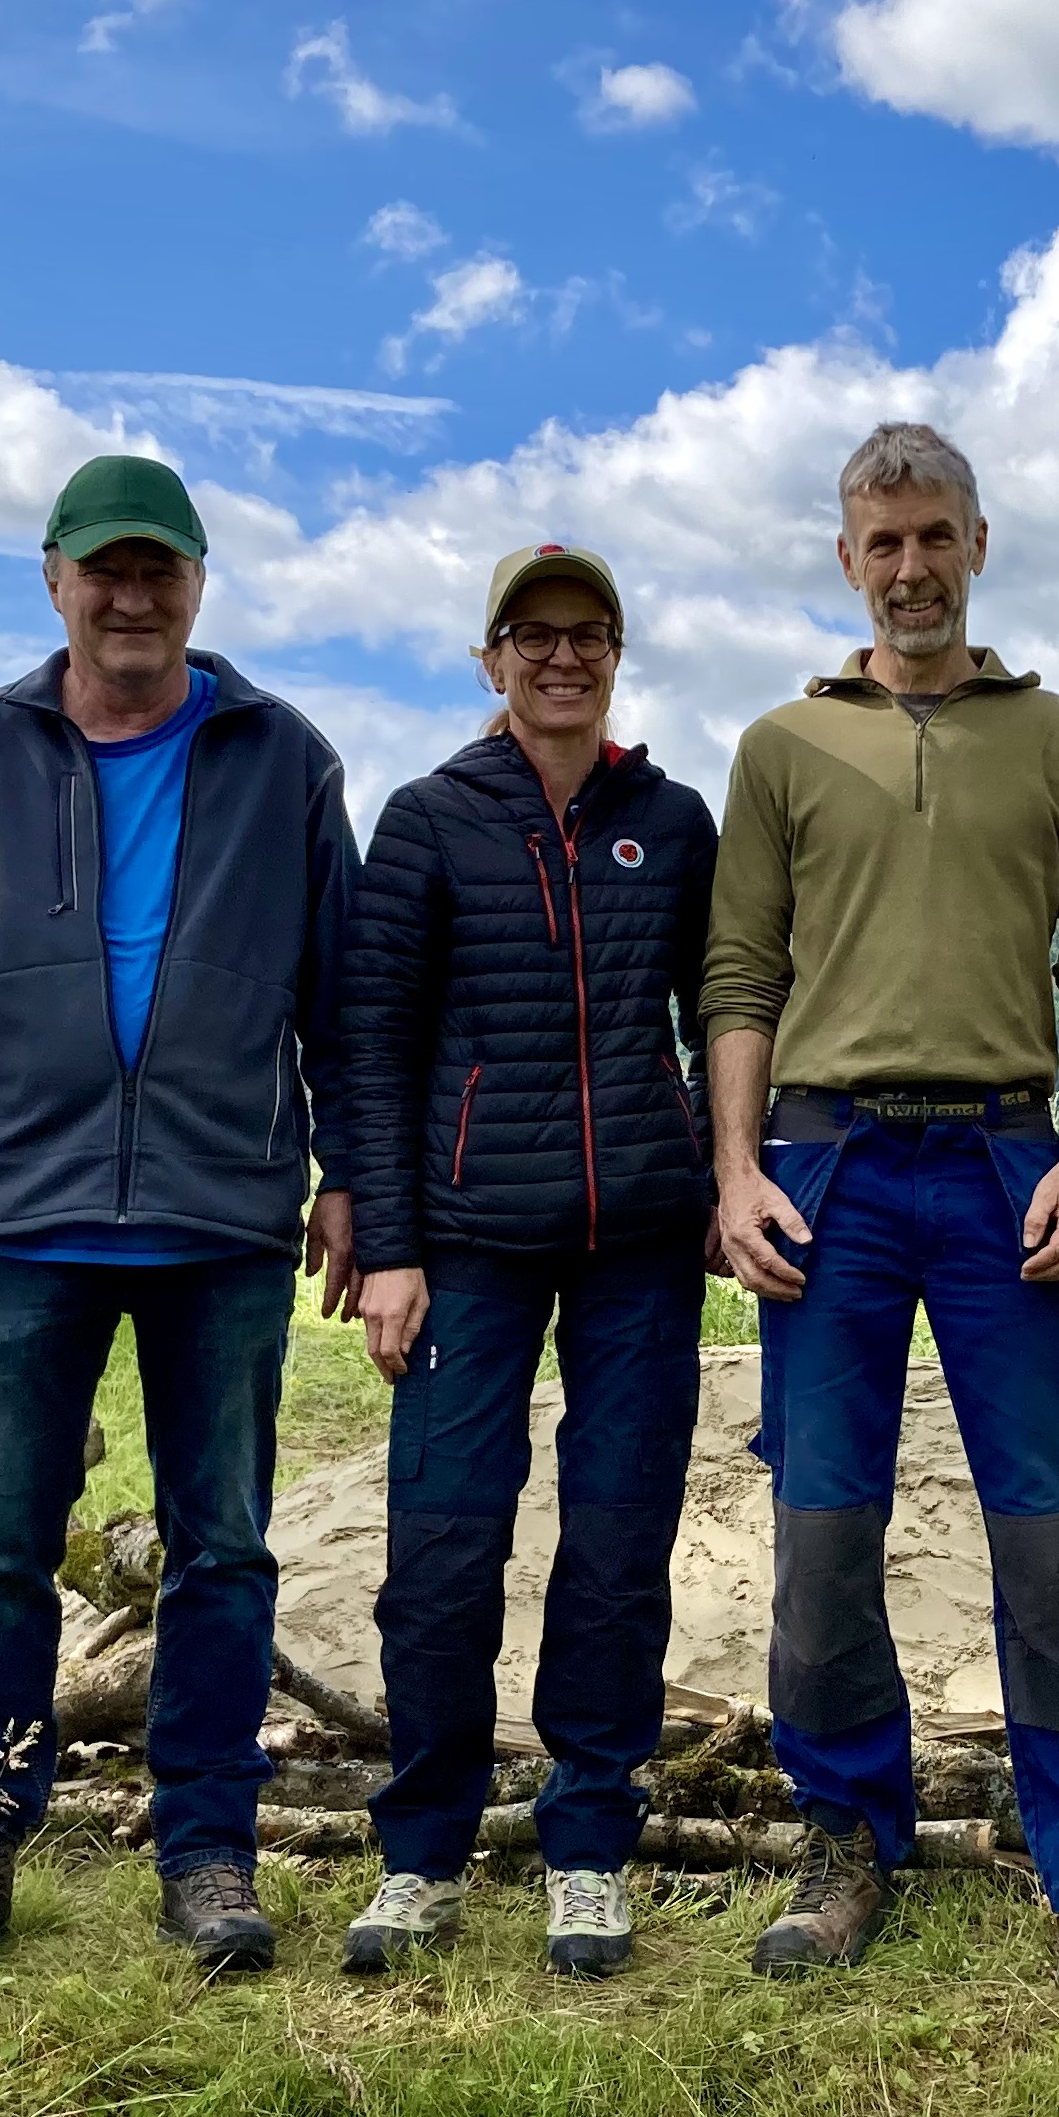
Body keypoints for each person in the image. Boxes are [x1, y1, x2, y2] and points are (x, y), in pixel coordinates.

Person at [0, 454, 363, 1981]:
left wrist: (348, 1173)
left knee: (225, 1546)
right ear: (54, 578)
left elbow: (343, 996)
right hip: (22, 1213)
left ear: (199, 584)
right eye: (104, 570)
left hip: (221, 1215)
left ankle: (207, 1841)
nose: (131, 597)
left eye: (160, 571)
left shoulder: (283, 758)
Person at [703, 421, 1059, 1991]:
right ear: (848, 560)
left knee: (1052, 1530)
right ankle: (846, 1842)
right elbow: (740, 977)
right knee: (826, 1526)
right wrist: (737, 1167)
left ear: (981, 544)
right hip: (825, 1172)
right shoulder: (780, 747)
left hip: (1001, 1162)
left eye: (936, 537)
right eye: (882, 543)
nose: (912, 568)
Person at [336, 543, 716, 1980]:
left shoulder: (671, 822)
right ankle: (423, 1850)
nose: (564, 657)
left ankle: (590, 1847)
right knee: (441, 1548)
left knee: (616, 1547)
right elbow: (375, 1044)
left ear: (617, 654)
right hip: (469, 1248)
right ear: (489, 657)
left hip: (642, 1246)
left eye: (590, 634)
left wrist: (725, 1169)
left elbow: (724, 1007)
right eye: (533, 634)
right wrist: (389, 1243)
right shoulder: (430, 819)